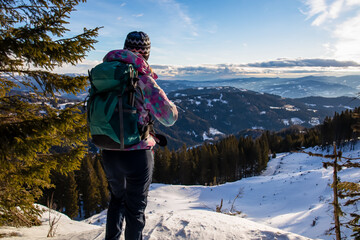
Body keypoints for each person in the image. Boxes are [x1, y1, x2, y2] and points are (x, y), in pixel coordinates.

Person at [100, 31, 178, 240]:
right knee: (135, 210)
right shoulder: (143, 78)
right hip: (136, 153)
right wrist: (174, 107)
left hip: (109, 149)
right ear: (146, 53)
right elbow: (169, 117)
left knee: (117, 200)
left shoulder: (106, 74)